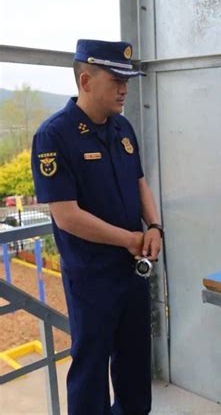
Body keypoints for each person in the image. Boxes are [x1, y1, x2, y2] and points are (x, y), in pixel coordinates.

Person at [31, 39, 163, 415]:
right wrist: (130, 239)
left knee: (135, 362)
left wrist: (154, 227)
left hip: (133, 271)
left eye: (128, 79)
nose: (124, 88)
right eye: (115, 79)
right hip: (91, 277)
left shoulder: (122, 127)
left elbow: (138, 182)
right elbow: (66, 215)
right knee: (90, 369)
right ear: (86, 81)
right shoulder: (54, 135)